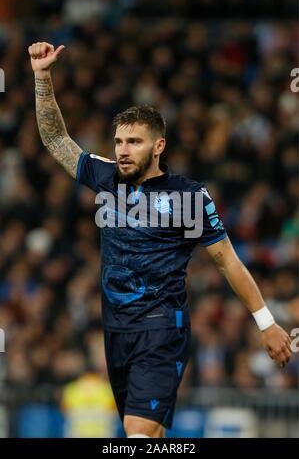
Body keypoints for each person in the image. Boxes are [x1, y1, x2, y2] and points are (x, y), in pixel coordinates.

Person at [28, 42, 292, 438]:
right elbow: (55, 140)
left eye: (133, 142)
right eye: (118, 142)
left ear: (158, 146)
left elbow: (227, 261)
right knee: (150, 438)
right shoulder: (105, 178)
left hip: (162, 329)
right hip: (116, 330)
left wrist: (266, 323)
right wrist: (42, 77)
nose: (122, 151)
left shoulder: (188, 197)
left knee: (136, 434)